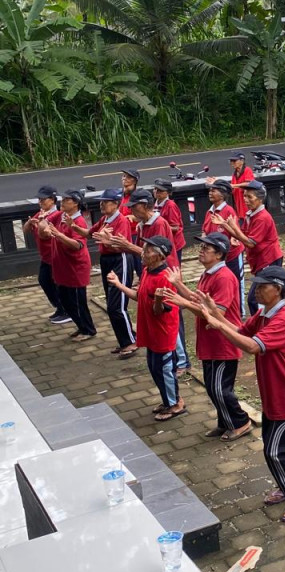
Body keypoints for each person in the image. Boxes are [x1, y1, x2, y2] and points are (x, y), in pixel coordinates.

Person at [198, 266, 285, 523]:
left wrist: (217, 324)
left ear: (279, 290)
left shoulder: (283, 319)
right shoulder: (264, 313)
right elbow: (241, 331)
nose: (257, 290)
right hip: (274, 390)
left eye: (263, 286)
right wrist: (216, 312)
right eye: (256, 285)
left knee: (276, 451)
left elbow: (252, 346)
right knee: (269, 445)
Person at [156, 233, 251, 442]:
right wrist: (179, 285)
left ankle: (240, 421)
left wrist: (183, 302)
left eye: (206, 248)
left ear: (219, 254)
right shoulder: (208, 273)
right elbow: (196, 299)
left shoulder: (224, 277)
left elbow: (217, 312)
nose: (201, 250)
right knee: (212, 386)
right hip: (211, 340)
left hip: (223, 340)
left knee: (220, 388)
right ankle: (225, 422)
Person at [107, 236, 184, 421]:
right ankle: (167, 400)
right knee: (154, 368)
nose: (143, 252)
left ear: (160, 256)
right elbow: (139, 296)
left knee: (165, 370)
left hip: (163, 333)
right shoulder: (148, 270)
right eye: (145, 248)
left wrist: (158, 300)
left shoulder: (165, 278)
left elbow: (160, 311)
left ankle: (175, 404)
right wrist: (118, 284)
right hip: (150, 331)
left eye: (149, 250)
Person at [210, 180, 284, 316]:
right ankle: (264, 325)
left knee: (256, 299)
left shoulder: (262, 217)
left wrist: (229, 227)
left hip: (268, 261)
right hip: (261, 261)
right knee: (259, 298)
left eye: (250, 197)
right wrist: (227, 226)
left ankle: (264, 326)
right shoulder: (251, 214)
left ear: (260, 199)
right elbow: (242, 235)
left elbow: (250, 242)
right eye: (245, 196)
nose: (246, 200)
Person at [83, 189, 137, 358]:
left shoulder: (121, 221)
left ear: (115, 204)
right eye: (101, 202)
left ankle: (131, 342)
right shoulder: (105, 219)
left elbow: (123, 246)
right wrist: (72, 225)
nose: (102, 204)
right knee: (111, 303)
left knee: (117, 305)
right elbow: (89, 234)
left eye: (105, 202)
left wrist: (108, 241)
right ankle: (124, 340)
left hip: (119, 259)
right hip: (107, 260)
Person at [36, 190, 96, 341]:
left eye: (66, 200)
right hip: (63, 266)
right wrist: (43, 220)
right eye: (62, 199)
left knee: (78, 301)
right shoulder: (61, 216)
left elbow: (78, 245)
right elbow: (43, 230)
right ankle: (81, 326)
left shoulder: (79, 222)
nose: (62, 202)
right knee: (65, 300)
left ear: (75, 203)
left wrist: (58, 235)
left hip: (75, 267)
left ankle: (88, 330)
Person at [153, 178, 191, 374]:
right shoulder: (157, 206)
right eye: (155, 190)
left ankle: (183, 360)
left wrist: (163, 224)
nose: (156, 193)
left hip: (174, 246)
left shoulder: (170, 206)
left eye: (160, 191)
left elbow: (176, 226)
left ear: (166, 192)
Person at [24, 185, 70, 324]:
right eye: (39, 199)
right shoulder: (40, 214)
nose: (40, 202)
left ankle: (66, 310)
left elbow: (44, 234)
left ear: (52, 200)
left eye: (43, 200)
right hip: (46, 257)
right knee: (44, 281)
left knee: (57, 284)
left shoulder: (57, 215)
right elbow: (26, 230)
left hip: (55, 256)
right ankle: (60, 308)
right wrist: (30, 222)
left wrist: (42, 221)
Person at [104, 189, 180, 270]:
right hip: (151, 269)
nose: (131, 210)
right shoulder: (143, 223)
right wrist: (114, 243)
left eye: (134, 206)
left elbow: (155, 255)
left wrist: (128, 245)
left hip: (164, 272)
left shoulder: (158, 224)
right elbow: (138, 250)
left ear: (145, 205)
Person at [203, 179, 245, 317]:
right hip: (217, 257)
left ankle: (240, 313)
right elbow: (205, 230)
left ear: (222, 194)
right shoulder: (210, 212)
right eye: (210, 190)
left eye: (213, 190)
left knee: (236, 282)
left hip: (232, 255)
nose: (210, 193)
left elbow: (236, 234)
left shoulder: (228, 211)